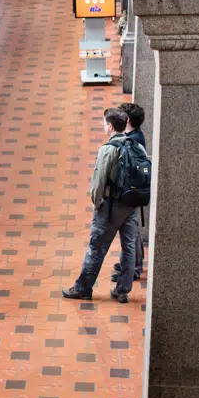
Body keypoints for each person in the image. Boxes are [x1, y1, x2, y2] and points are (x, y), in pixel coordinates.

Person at [62, 107, 141, 303]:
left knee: (97, 247)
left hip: (111, 207)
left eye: (105, 123)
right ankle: (122, 290)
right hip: (131, 205)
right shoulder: (137, 146)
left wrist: (97, 204)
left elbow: (98, 183)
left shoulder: (108, 150)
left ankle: (83, 288)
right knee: (129, 247)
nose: (103, 126)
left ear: (111, 126)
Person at [114, 103, 148, 282]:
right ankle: (132, 263)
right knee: (132, 232)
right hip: (134, 191)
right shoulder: (135, 135)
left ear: (127, 120)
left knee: (131, 233)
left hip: (130, 192)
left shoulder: (132, 140)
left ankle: (133, 268)